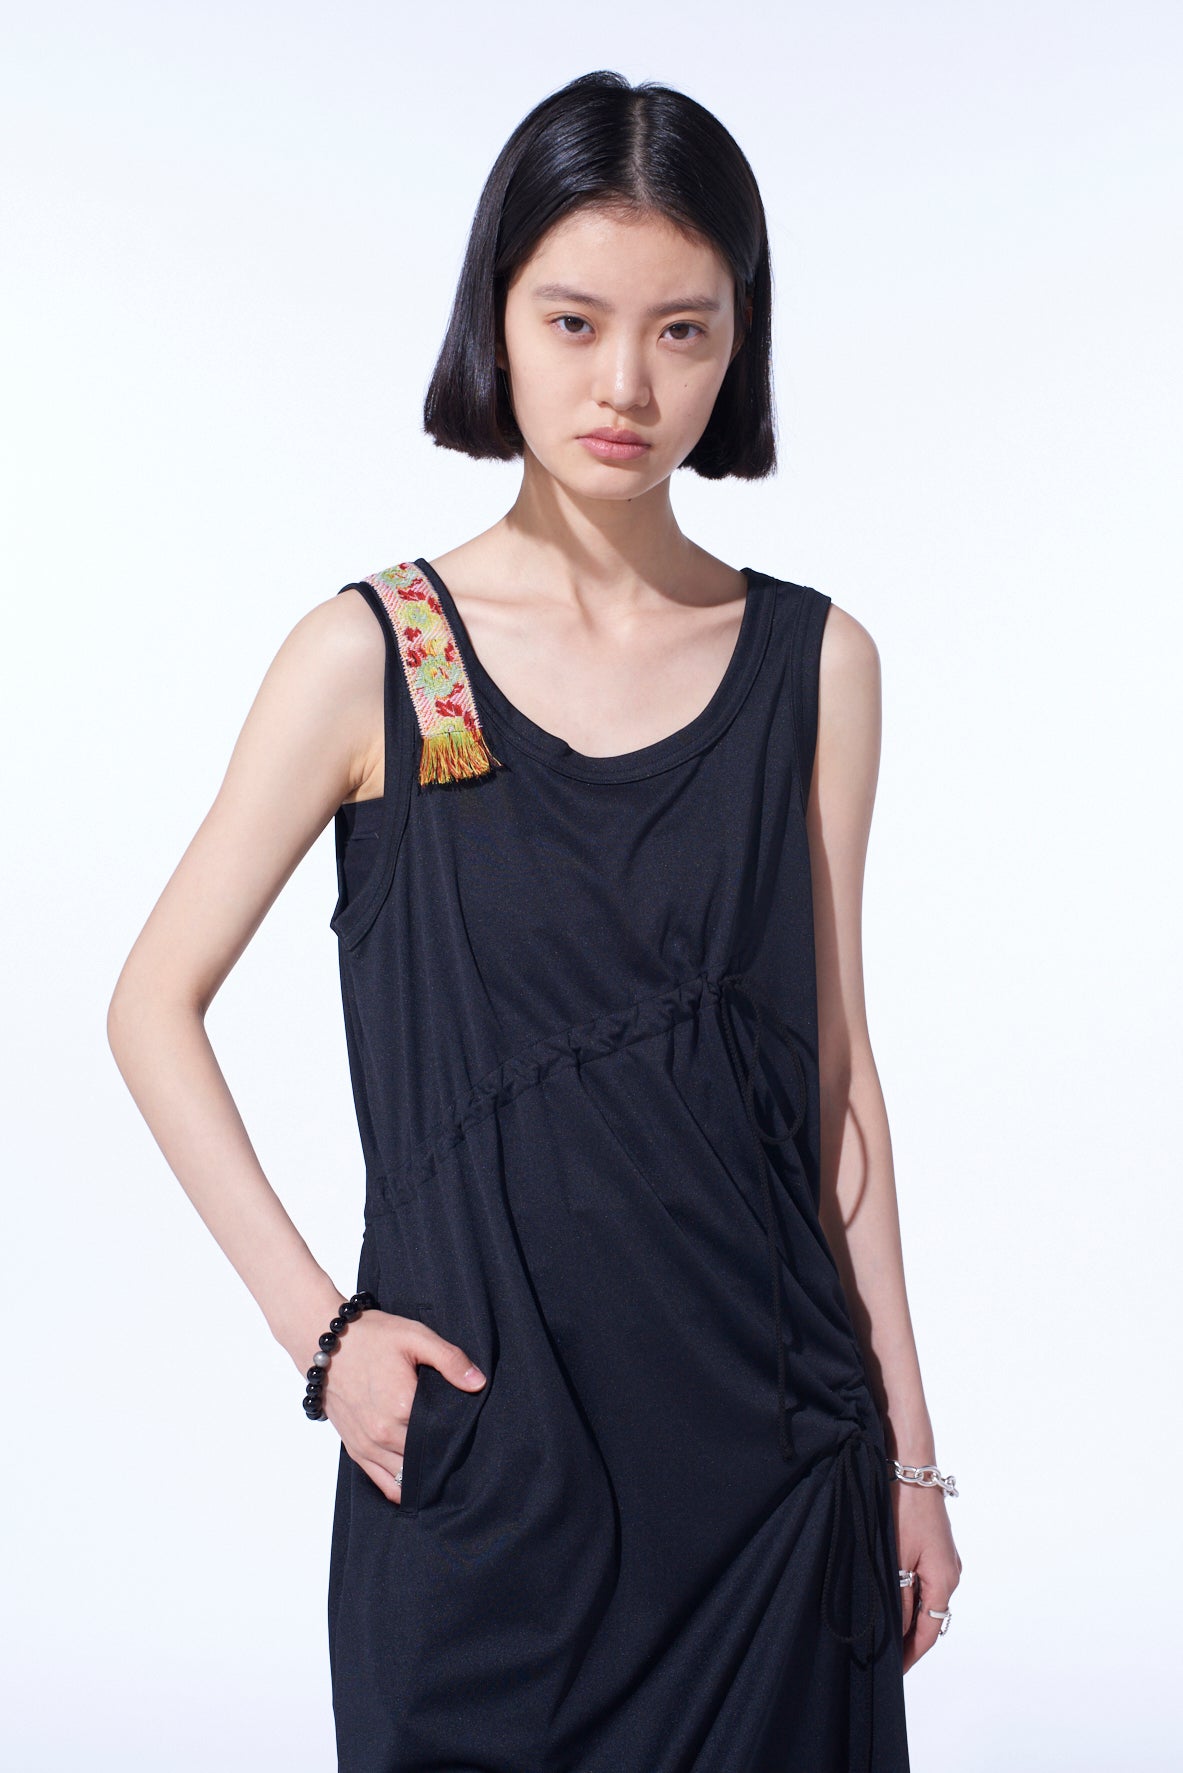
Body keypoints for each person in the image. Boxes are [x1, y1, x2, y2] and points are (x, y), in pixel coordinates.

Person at [108, 67, 961, 1773]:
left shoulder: (816, 665)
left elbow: (837, 1084)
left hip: (778, 1478)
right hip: (487, 1484)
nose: (625, 384)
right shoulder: (381, 657)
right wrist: (323, 1333)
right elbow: (151, 1004)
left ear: (739, 345)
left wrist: (910, 1454)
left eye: (682, 331)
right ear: (497, 316)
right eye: (575, 321)